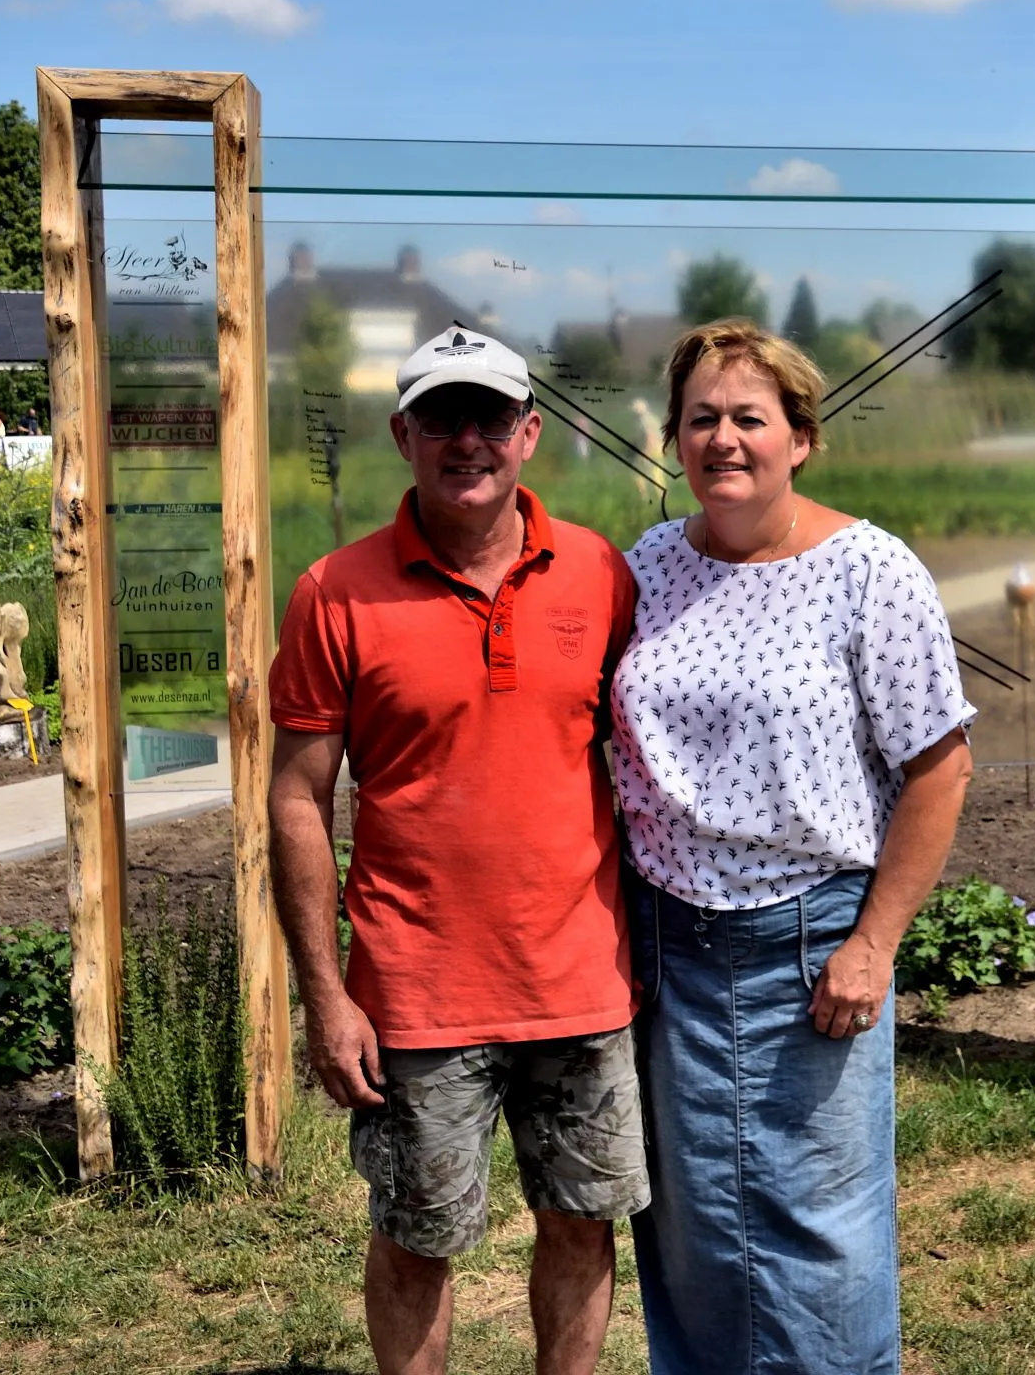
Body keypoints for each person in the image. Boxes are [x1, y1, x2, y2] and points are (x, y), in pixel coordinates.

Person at [267, 328, 649, 1375]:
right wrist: (326, 996)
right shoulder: (334, 592)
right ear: (404, 435)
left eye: (490, 416)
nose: (466, 439)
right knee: (416, 1238)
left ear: (530, 433)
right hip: (417, 995)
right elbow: (297, 799)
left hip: (579, 982)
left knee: (582, 1223)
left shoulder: (598, 574)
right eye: (441, 417)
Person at [609, 319, 975, 1375]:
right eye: (701, 419)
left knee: (822, 1228)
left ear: (801, 438)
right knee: (691, 1227)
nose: (723, 439)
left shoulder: (869, 572)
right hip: (667, 946)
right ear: (674, 438)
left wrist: (874, 945)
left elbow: (939, 766)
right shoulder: (646, 570)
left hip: (811, 947)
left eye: (749, 418)